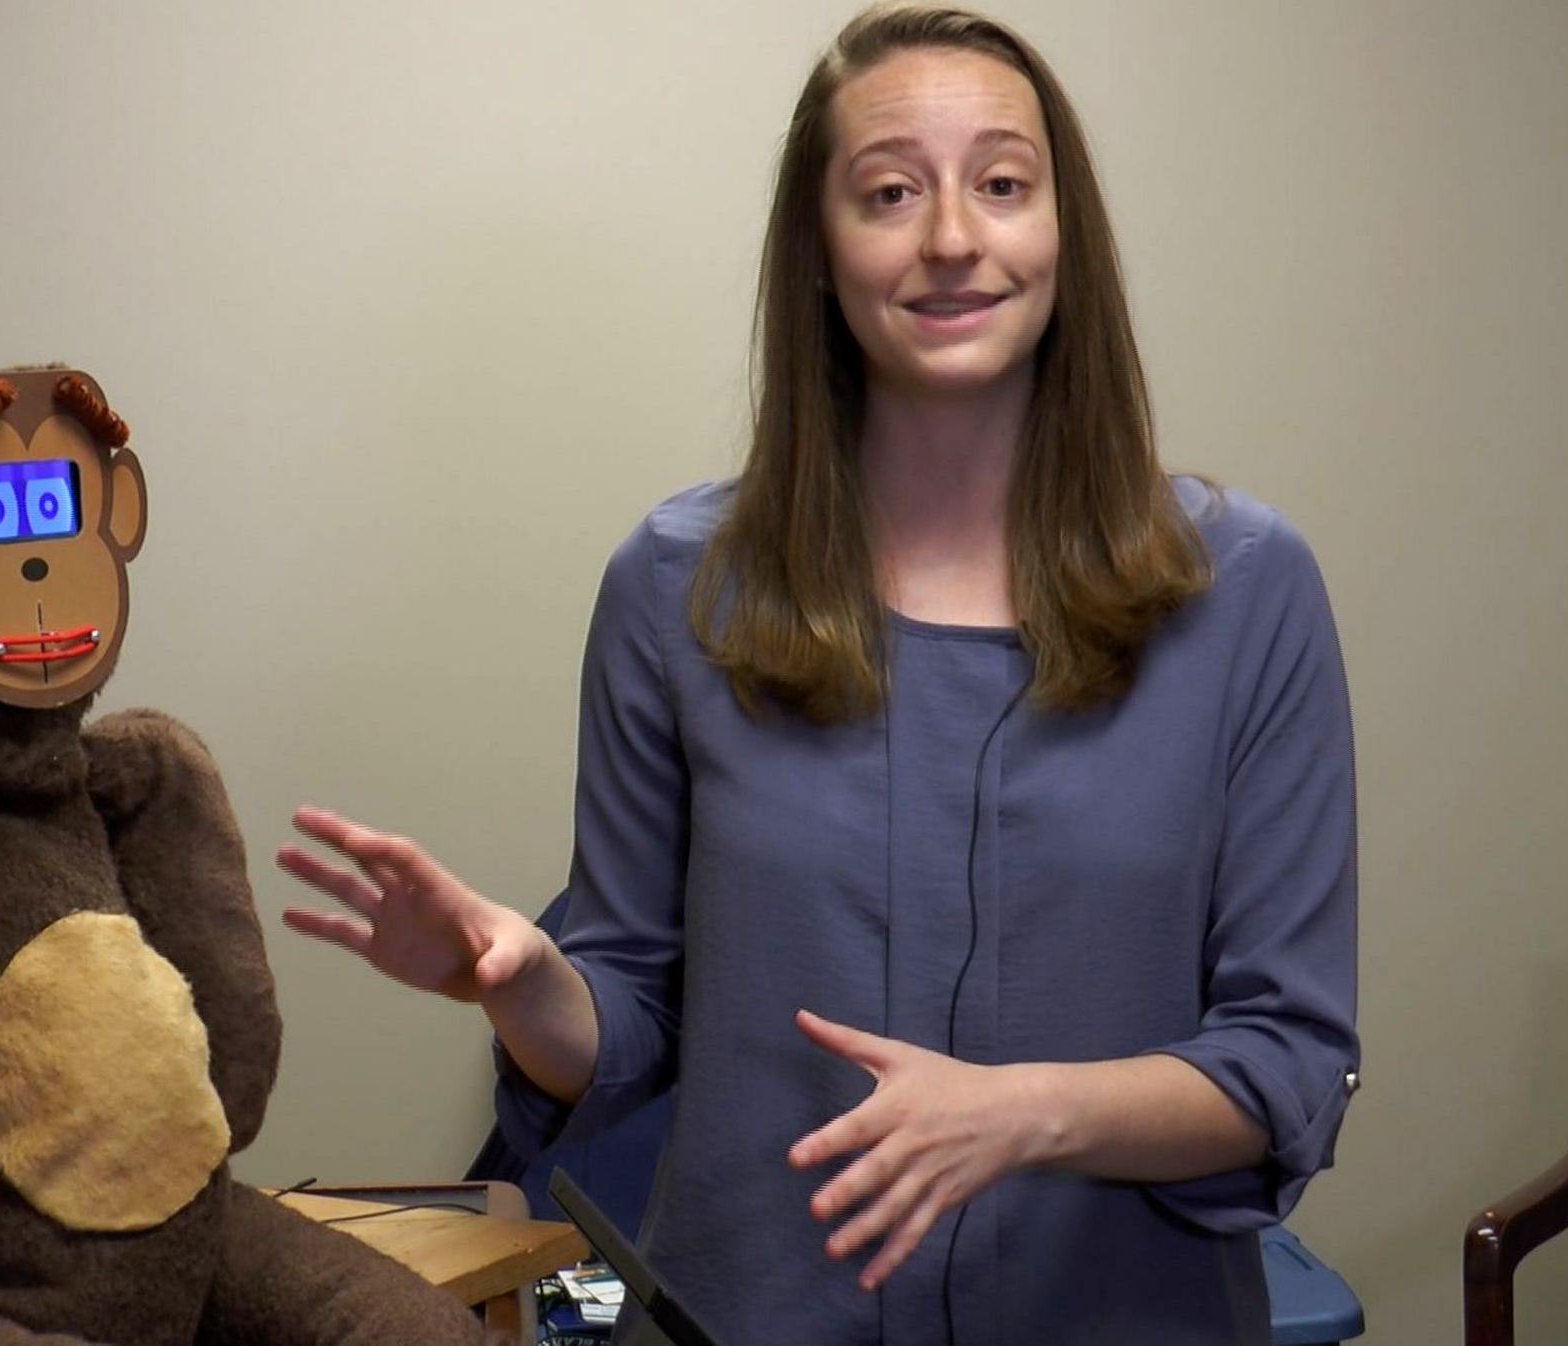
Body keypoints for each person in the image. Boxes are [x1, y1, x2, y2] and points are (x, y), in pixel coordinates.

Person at [279, 6, 1359, 1343]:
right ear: (820, 251)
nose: (953, 236)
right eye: (891, 191)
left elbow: (1288, 1058)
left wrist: (1022, 1112)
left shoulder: (1246, 593)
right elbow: (629, 1013)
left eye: (1004, 185)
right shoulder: (675, 589)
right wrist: (522, 980)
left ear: (1063, 232)